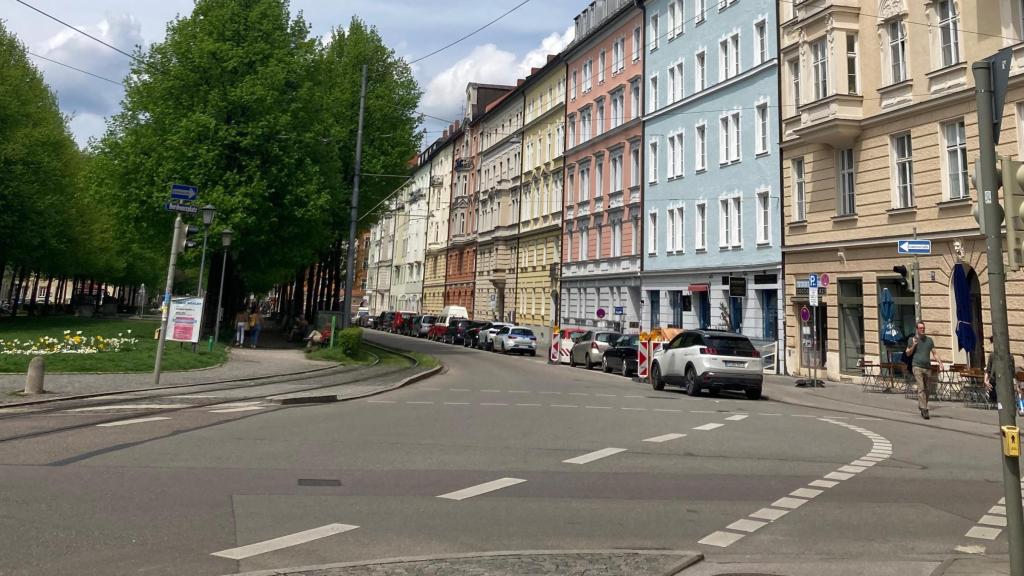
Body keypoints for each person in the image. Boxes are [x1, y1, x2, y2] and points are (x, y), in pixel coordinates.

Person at [905, 321, 944, 420]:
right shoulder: (912, 339)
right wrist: (913, 345)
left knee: (927, 390)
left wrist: (940, 362)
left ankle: (922, 405)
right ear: (917, 329)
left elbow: (934, 353)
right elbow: (908, 353)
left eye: (923, 328)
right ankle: (925, 409)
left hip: (927, 367)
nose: (922, 329)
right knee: (921, 388)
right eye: (920, 328)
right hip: (917, 366)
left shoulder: (929, 340)